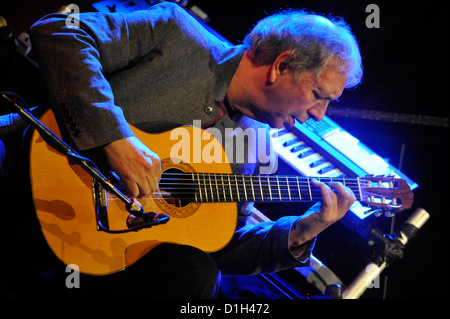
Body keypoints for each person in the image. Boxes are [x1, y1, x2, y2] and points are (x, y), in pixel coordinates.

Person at [26, 2, 361, 298]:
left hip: (96, 253)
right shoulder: (175, 33)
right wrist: (114, 138)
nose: (319, 114)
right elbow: (60, 32)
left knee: (199, 273)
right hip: (25, 173)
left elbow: (220, 243)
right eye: (319, 94)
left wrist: (301, 230)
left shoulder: (254, 144)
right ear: (281, 66)